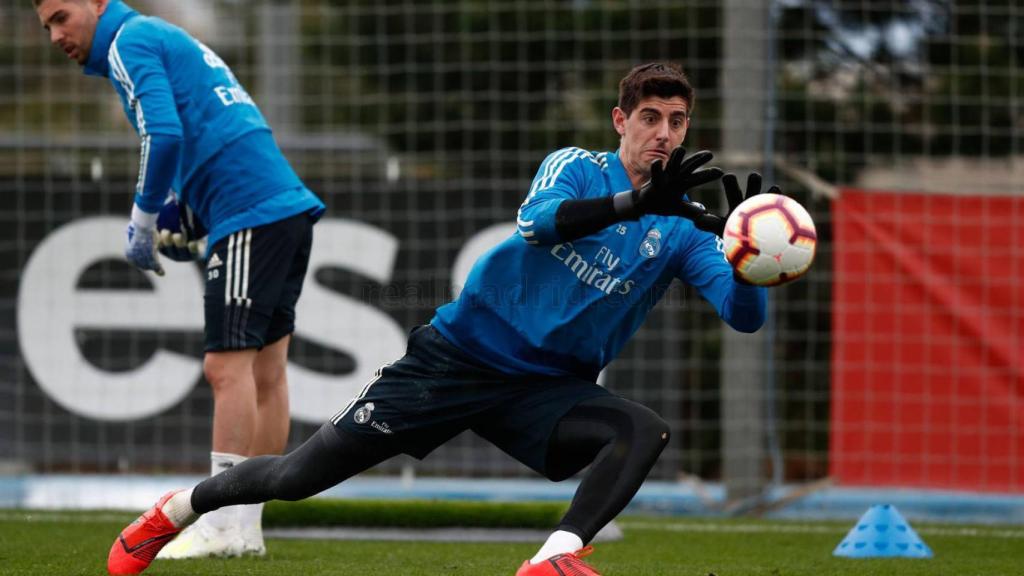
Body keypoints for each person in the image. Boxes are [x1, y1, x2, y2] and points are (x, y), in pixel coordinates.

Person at [105, 61, 776, 576]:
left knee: (641, 431)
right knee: (294, 478)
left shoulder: (686, 232)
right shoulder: (576, 167)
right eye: (650, 117)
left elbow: (743, 318)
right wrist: (633, 204)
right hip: (454, 360)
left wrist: (752, 265)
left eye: (678, 121)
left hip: (544, 390)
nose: (664, 133)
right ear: (619, 121)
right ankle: (180, 507)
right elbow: (537, 224)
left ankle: (554, 558)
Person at [34, 0, 326, 560]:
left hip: (249, 211)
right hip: (279, 205)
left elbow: (163, 133)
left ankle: (220, 523)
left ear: (98, 4)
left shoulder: (128, 42)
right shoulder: (157, 35)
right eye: (46, 24)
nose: (54, 35)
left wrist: (145, 217)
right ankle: (245, 527)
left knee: (226, 369)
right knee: (267, 373)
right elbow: (211, 125)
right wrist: (184, 206)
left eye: (62, 16)